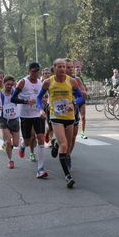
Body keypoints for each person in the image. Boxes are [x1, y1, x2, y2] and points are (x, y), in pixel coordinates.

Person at [37, 58, 85, 188]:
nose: (63, 69)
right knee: (65, 144)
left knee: (66, 145)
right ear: (54, 69)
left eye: (64, 66)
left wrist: (73, 103)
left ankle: (55, 143)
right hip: (56, 117)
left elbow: (81, 97)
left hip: (69, 117)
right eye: (59, 67)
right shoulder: (48, 82)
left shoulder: (72, 81)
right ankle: (67, 176)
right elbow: (38, 97)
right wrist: (41, 109)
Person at [11, 62, 48, 177]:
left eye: (37, 71)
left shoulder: (41, 83)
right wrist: (26, 101)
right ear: (28, 71)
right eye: (33, 71)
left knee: (41, 138)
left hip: (38, 114)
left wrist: (44, 102)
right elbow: (13, 98)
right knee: (28, 141)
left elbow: (43, 97)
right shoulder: (23, 82)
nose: (35, 73)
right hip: (26, 115)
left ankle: (40, 169)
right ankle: (22, 145)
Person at [65, 58, 88, 169]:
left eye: (71, 67)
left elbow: (85, 95)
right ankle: (55, 143)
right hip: (59, 112)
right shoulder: (55, 80)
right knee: (62, 138)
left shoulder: (76, 80)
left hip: (73, 111)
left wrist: (77, 89)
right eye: (67, 67)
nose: (70, 70)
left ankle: (68, 155)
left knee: (72, 138)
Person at [0, 75, 20, 169]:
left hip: (14, 119)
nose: (9, 86)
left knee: (16, 143)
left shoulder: (15, 92)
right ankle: (10, 160)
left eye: (11, 84)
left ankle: (9, 146)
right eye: (8, 84)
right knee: (8, 142)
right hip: (4, 119)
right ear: (4, 84)